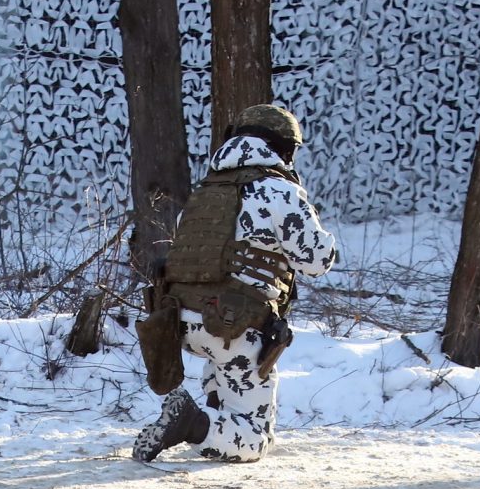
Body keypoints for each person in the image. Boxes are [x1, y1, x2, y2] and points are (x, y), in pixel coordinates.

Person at [132, 104, 338, 463]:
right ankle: (193, 422)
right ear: (284, 147)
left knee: (225, 365)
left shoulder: (204, 193)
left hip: (182, 323)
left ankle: (213, 407)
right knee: (255, 440)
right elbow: (316, 261)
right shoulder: (279, 192)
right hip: (234, 329)